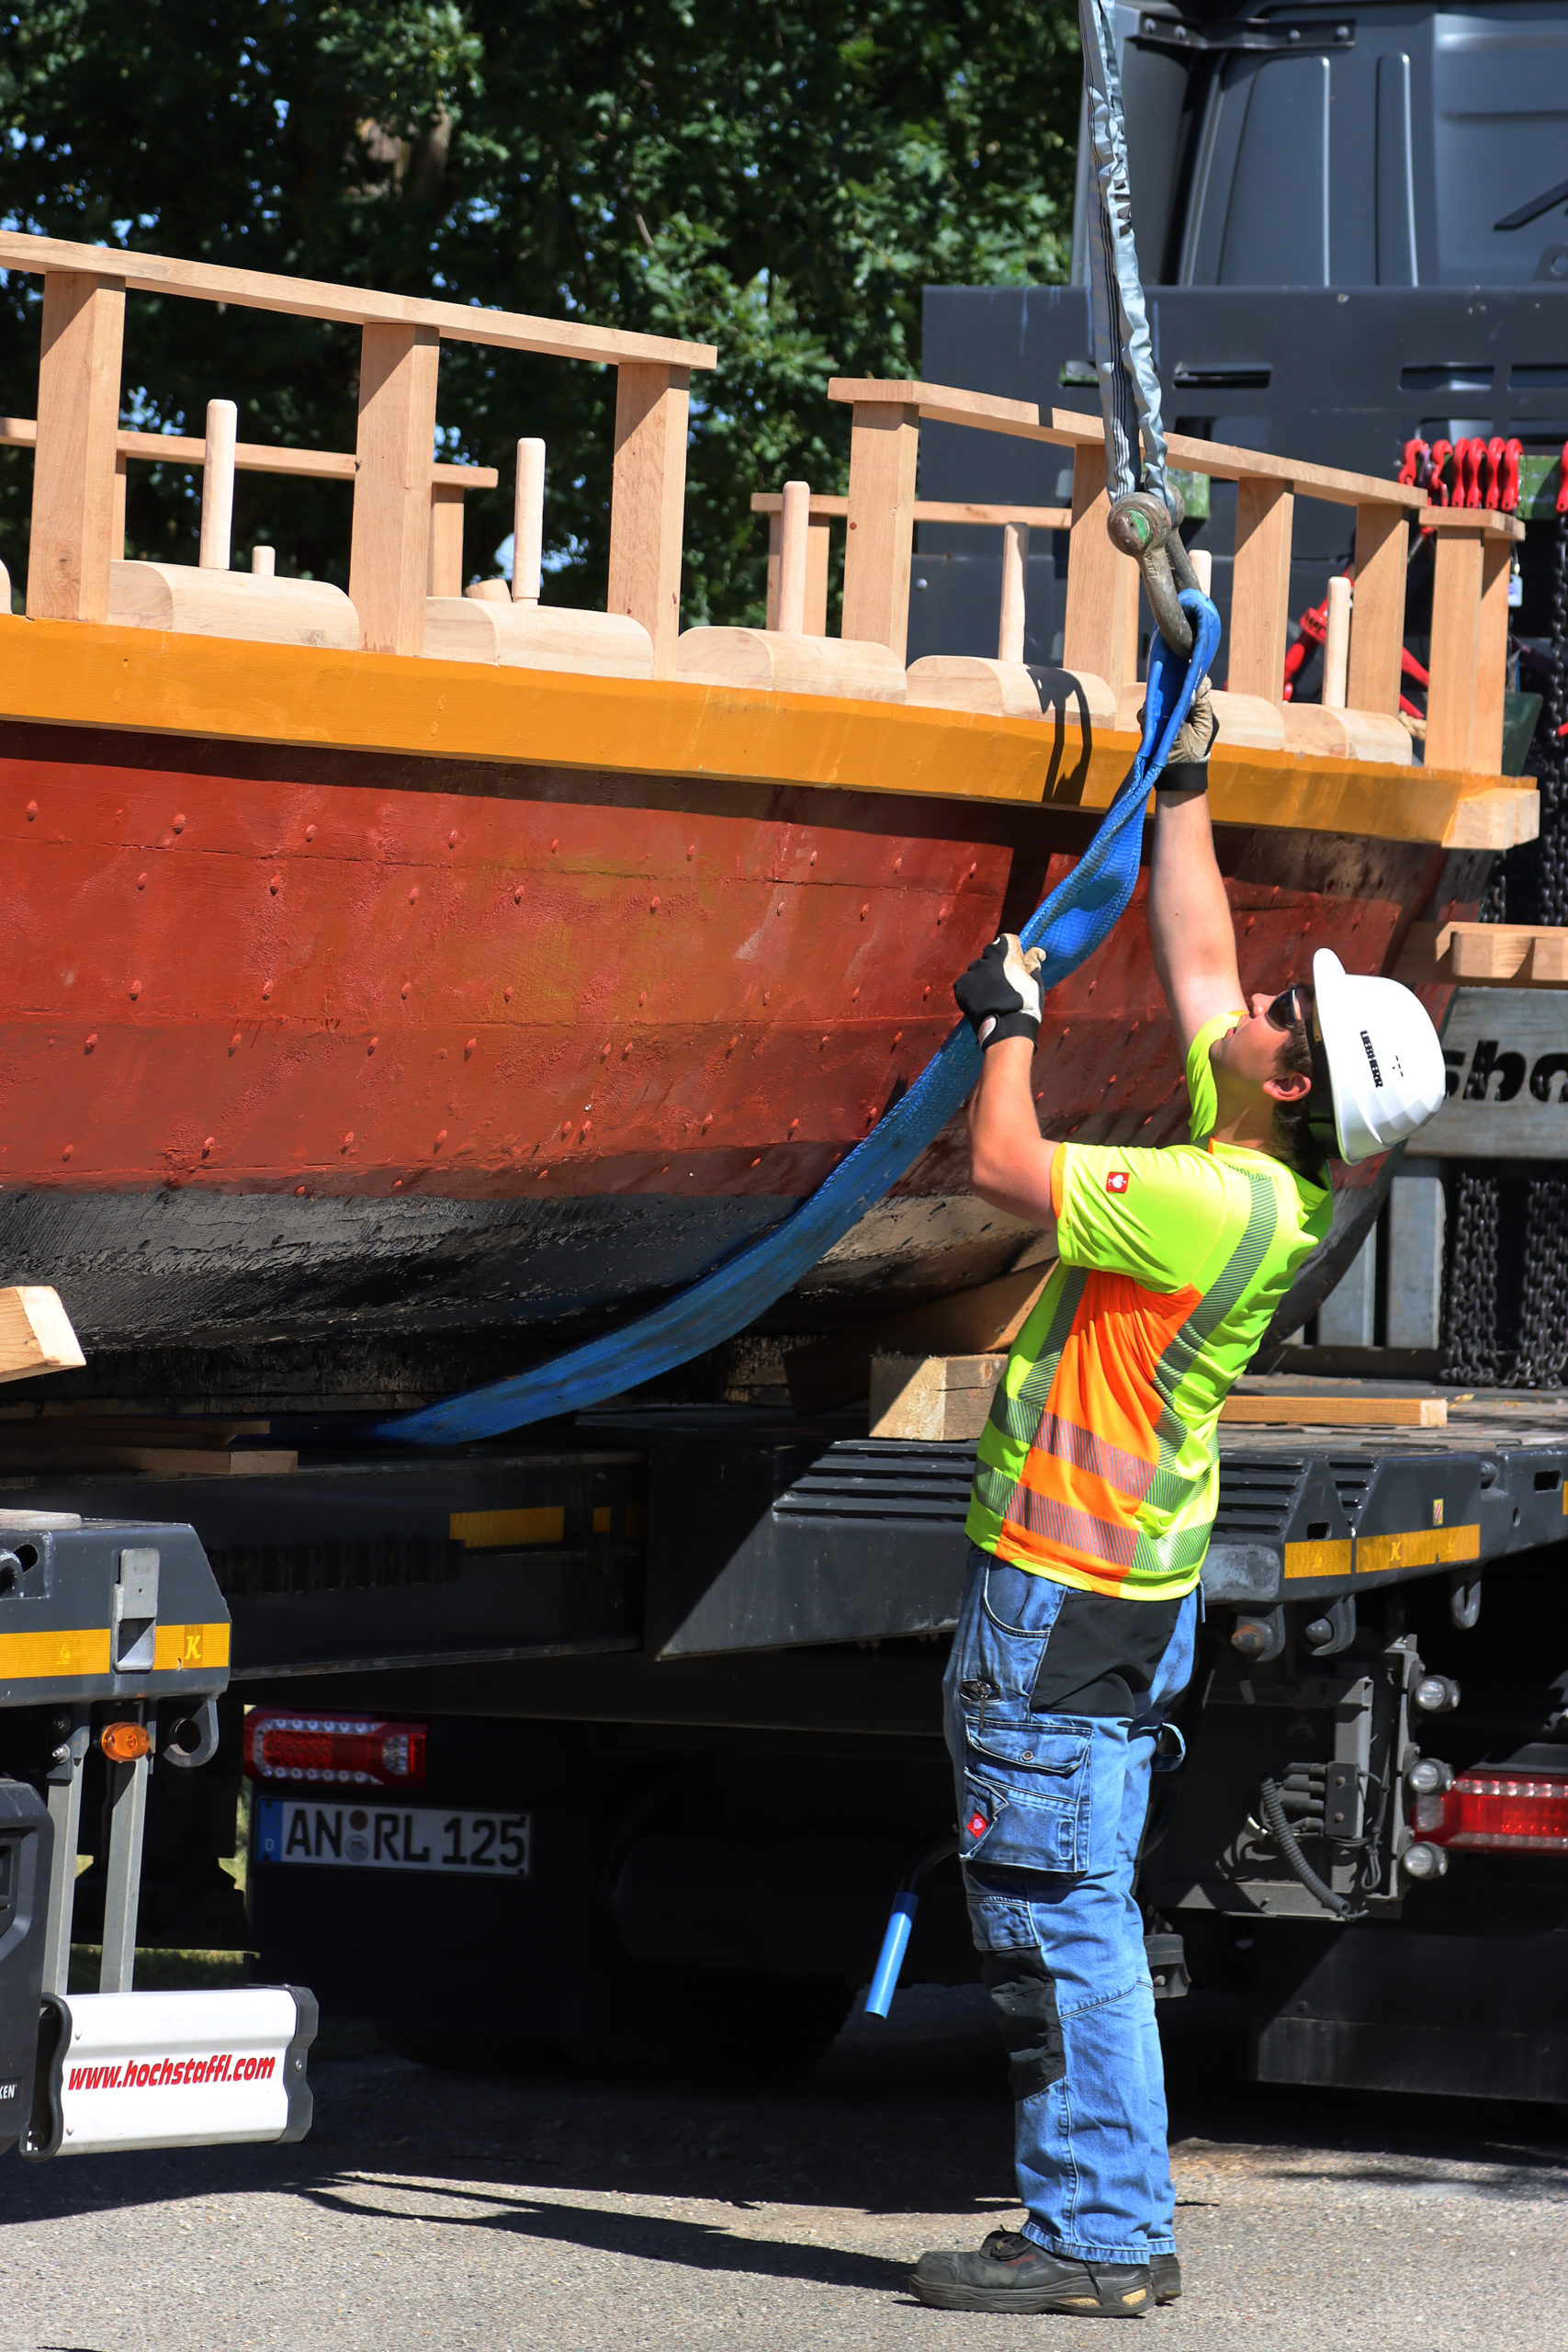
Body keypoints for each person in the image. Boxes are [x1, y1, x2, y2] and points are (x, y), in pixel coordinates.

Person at [911, 684, 1447, 2319]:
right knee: (1076, 1902)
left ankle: (1098, 2235)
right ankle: (1098, 2217)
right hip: (1122, 1587)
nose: (1265, 999)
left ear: (1291, 1090)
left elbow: (1005, 1167)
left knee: (1054, 1911)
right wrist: (1185, 788)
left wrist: (1007, 1016)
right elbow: (1203, 965)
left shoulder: (1206, 1201)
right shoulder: (1269, 1170)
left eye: (1289, 1012)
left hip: (1065, 1589)